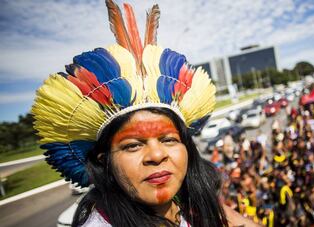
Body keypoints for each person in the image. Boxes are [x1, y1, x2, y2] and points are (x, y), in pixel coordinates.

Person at [31, 1, 258, 226]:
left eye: (169, 139)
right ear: (104, 161)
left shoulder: (195, 206)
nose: (157, 155)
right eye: (132, 145)